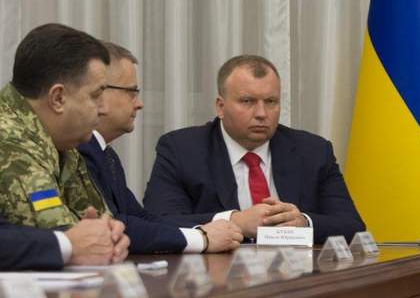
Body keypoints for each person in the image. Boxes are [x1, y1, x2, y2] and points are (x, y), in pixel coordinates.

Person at [143, 55, 365, 243]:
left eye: (271, 101)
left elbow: (352, 226)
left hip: (297, 274)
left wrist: (303, 223)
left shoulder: (313, 151)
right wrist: (234, 221)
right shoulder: (182, 150)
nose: (261, 113)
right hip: (217, 275)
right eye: (247, 101)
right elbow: (159, 222)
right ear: (220, 107)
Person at [78, 42, 243, 254]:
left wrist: (212, 229)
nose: (139, 104)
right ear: (100, 92)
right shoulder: (80, 150)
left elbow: (143, 219)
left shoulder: (106, 154)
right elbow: (114, 225)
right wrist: (201, 238)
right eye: (131, 92)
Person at [0, 23, 129, 265]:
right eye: (96, 95)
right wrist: (76, 243)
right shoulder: (9, 138)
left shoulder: (62, 142)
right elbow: (55, 230)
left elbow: (98, 225)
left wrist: (113, 236)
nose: (104, 109)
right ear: (58, 98)